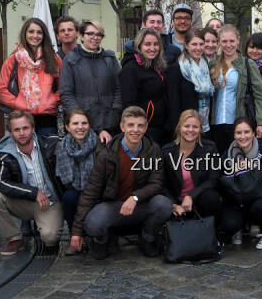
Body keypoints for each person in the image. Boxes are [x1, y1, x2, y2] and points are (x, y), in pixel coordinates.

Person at [70, 106, 172, 260]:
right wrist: (76, 232)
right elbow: (91, 191)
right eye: (130, 125)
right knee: (93, 223)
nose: (135, 130)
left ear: (146, 128)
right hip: (114, 206)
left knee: (163, 204)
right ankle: (102, 240)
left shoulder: (153, 150)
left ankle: (147, 239)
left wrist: (135, 197)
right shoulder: (106, 154)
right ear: (122, 126)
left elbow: (156, 183)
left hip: (139, 205)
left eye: (140, 125)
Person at [0, 110, 62, 256]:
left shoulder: (49, 144)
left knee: (50, 238)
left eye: (25, 128)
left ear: (33, 129)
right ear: (10, 133)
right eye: (17, 130)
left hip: (50, 202)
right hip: (26, 202)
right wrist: (33, 193)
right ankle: (14, 237)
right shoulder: (6, 153)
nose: (22, 133)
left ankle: (42, 226)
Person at [219, 117, 262, 250]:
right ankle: (238, 228)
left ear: (254, 133)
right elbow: (219, 181)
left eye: (247, 132)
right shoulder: (227, 154)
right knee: (228, 224)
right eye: (238, 133)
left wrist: (255, 171)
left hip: (258, 200)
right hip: (236, 201)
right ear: (234, 135)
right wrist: (232, 171)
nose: (243, 136)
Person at [0, 17, 62, 137]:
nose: (35, 35)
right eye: (31, 31)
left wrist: (52, 101)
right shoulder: (13, 59)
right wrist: (18, 103)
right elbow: (1, 89)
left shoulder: (54, 59)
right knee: (23, 154)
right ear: (25, 34)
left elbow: (64, 86)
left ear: (44, 35)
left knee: (46, 154)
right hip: (21, 116)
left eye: (39, 32)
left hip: (47, 116)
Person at [59, 20, 122, 144]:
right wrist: (80, 122)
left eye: (99, 34)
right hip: (81, 128)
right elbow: (67, 94)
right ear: (81, 36)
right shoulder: (71, 60)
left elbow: (119, 90)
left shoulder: (109, 58)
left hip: (110, 126)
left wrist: (111, 121)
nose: (95, 37)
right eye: (90, 34)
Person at [210, 24, 262, 153]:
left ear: (238, 40)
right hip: (216, 122)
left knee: (239, 161)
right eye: (224, 41)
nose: (228, 45)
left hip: (240, 122)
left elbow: (259, 96)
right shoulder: (213, 64)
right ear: (219, 42)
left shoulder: (248, 64)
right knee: (220, 162)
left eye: (232, 41)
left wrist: (261, 123)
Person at [161, 109, 223, 225]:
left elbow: (213, 179)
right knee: (160, 204)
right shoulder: (166, 151)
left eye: (195, 127)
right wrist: (173, 204)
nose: (190, 130)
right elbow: (162, 184)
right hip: (176, 202)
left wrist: (191, 196)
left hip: (198, 200)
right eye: (186, 126)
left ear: (200, 129)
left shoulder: (209, 148)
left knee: (212, 198)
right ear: (179, 127)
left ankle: (209, 230)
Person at [55, 108, 97, 254]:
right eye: (75, 123)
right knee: (69, 198)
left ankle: (95, 236)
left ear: (89, 125)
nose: (80, 127)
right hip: (74, 188)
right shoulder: (62, 147)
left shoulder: (98, 143)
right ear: (67, 127)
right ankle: (77, 237)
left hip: (95, 189)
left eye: (84, 123)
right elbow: (63, 179)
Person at [119, 28, 169, 145]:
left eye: (156, 44)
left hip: (161, 128)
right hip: (144, 130)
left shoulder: (157, 66)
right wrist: (138, 127)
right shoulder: (131, 69)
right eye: (147, 44)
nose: (152, 48)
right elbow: (128, 104)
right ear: (139, 46)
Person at [166, 29, 214, 135]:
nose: (198, 48)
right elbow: (173, 103)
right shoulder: (176, 68)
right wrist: (177, 130)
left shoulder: (206, 66)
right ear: (186, 45)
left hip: (204, 126)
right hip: (185, 128)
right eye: (194, 44)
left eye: (201, 44)